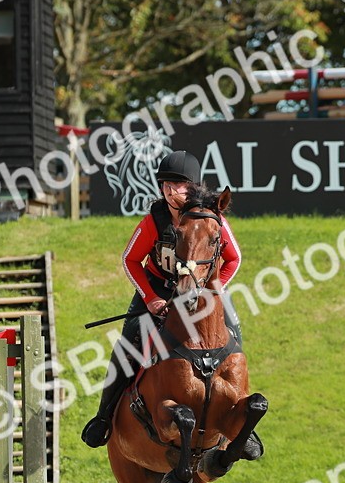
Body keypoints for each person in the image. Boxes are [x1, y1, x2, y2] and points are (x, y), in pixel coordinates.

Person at [80, 150, 244, 448]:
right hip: (158, 289)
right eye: (165, 184)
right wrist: (152, 298)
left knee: (233, 336)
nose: (170, 190)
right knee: (128, 346)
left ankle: (239, 416)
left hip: (205, 288)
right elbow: (130, 260)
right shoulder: (153, 220)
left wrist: (216, 289)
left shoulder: (210, 217)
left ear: (193, 187)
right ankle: (103, 417)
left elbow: (234, 258)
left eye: (178, 185)